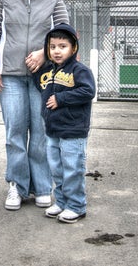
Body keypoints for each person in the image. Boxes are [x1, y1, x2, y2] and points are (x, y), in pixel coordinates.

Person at [0, 0, 70, 210]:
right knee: (15, 132)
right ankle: (17, 186)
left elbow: (66, 34)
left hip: (43, 79)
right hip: (10, 77)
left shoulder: (54, 1)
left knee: (41, 132)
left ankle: (43, 187)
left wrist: (45, 53)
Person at [34, 23, 95, 223]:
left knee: (73, 169)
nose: (57, 51)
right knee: (57, 170)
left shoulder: (79, 70)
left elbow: (88, 91)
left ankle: (76, 206)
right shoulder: (50, 71)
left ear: (73, 48)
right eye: (52, 47)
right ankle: (61, 202)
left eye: (62, 46)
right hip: (53, 130)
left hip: (73, 130)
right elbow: (42, 87)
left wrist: (62, 99)